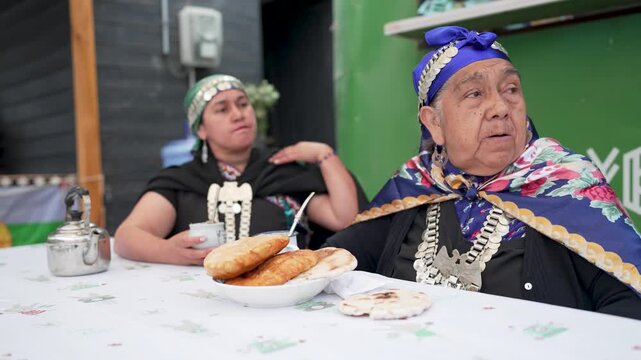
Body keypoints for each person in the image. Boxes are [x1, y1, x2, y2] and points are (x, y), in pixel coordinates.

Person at [325, 26, 641, 319]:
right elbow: (328, 265)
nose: (501, 107)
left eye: (511, 90)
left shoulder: (564, 183)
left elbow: (629, 301)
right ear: (434, 123)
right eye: (475, 94)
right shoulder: (415, 184)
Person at [115, 74, 366, 265]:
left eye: (243, 104)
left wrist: (325, 155)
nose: (238, 114)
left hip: (281, 297)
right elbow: (128, 237)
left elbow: (343, 218)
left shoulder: (281, 171)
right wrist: (168, 251)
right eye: (222, 109)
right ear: (201, 129)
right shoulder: (182, 181)